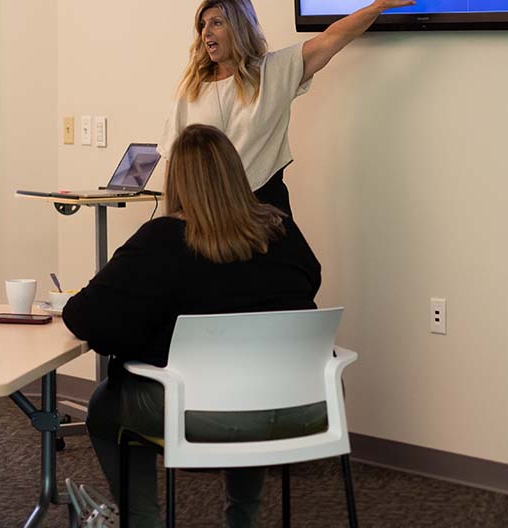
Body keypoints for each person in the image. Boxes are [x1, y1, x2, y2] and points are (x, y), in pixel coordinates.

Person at [63, 124, 324, 528]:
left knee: (103, 407)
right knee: (247, 386)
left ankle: (141, 521)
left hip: (201, 414)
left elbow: (85, 316)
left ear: (178, 183)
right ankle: (244, 519)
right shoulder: (282, 229)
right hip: (299, 404)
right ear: (237, 175)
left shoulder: (162, 239)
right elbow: (310, 281)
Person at [158, 0, 413, 214]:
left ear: (239, 27)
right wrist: (168, 223)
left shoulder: (274, 71)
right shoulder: (191, 88)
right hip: (207, 212)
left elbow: (333, 37)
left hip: (262, 206)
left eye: (216, 23)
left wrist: (379, 5)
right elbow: (172, 159)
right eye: (202, 25)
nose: (206, 33)